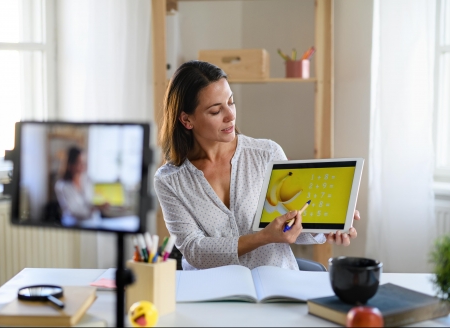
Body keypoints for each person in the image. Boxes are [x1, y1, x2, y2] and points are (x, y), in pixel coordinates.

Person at [154, 60, 360, 271]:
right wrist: (262, 238)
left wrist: (326, 226)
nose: (230, 115)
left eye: (231, 102)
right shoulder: (170, 180)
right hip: (213, 292)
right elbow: (195, 250)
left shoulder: (266, 154)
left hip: (276, 284)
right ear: (187, 120)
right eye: (216, 111)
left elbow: (291, 224)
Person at [55, 146, 109, 226]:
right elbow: (74, 211)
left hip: (93, 222)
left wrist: (101, 203)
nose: (82, 166)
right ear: (70, 164)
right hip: (73, 224)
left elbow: (92, 199)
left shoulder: (87, 179)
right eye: (79, 163)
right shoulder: (62, 185)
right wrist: (95, 208)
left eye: (83, 162)